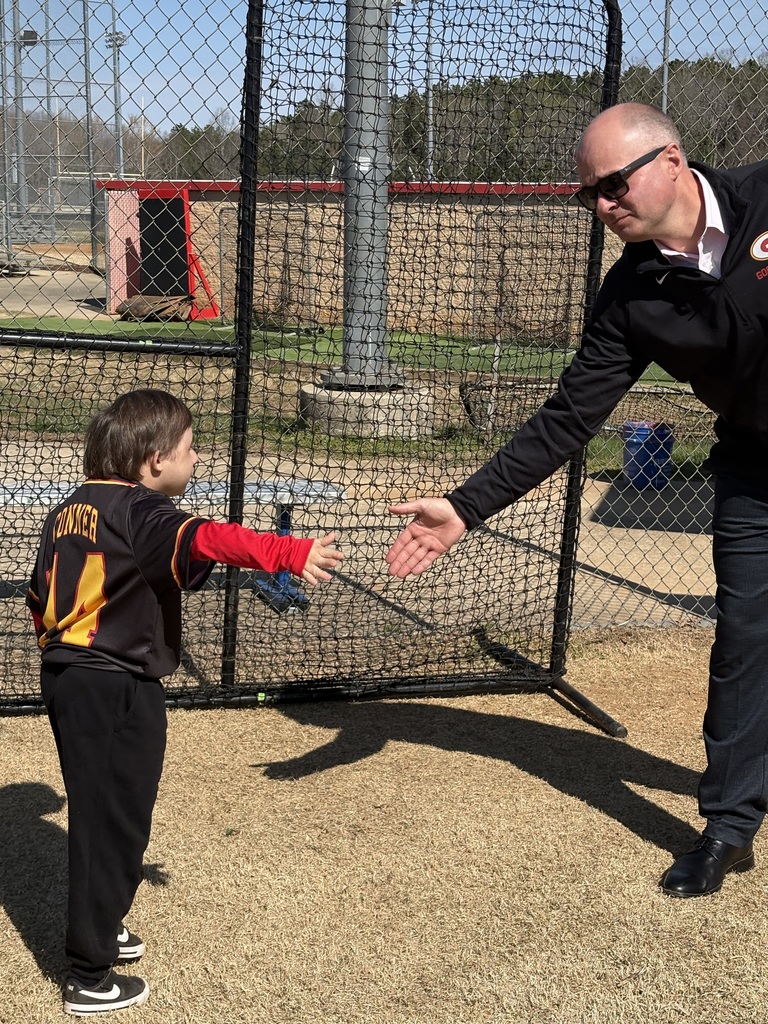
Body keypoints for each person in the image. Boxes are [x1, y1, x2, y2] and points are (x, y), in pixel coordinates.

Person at [387, 101, 768, 900]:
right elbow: (569, 417)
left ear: (671, 159)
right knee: (745, 642)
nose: (600, 205)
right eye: (587, 193)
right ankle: (730, 828)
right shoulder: (631, 295)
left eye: (611, 184)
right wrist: (465, 506)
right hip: (755, 471)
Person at [26, 389, 343, 1015]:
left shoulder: (66, 509)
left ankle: (106, 916)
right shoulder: (143, 511)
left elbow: (38, 595)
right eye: (190, 449)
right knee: (102, 818)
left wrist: (56, 649)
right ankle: (88, 974)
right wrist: (288, 552)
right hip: (105, 679)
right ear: (151, 461)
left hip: (91, 677)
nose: (196, 460)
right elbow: (208, 541)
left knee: (124, 810)